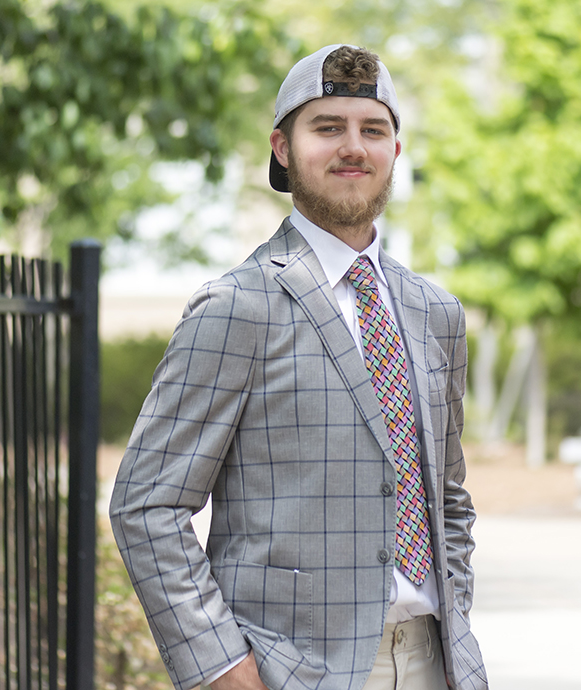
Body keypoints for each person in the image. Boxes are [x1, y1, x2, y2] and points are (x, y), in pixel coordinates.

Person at [109, 44, 488, 690]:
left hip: (435, 664)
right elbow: (146, 506)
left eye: (373, 129)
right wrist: (224, 668)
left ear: (395, 151)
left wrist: (454, 613)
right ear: (282, 148)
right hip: (289, 673)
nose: (353, 147)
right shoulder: (237, 307)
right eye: (327, 127)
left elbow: (446, 499)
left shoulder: (435, 312)